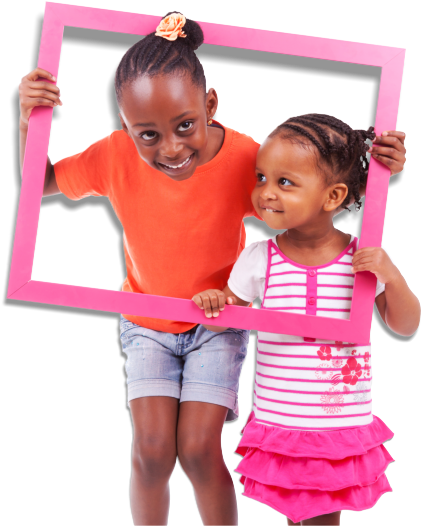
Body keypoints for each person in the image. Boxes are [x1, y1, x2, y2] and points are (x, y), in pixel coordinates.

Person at [18, 10, 408, 526]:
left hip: (218, 323)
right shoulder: (113, 155)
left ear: (210, 105)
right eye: (147, 134)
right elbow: (40, 183)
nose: (172, 148)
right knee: (152, 451)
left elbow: (308, 192)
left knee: (200, 450)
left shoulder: (246, 157)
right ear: (124, 125)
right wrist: (28, 119)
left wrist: (374, 170)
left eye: (185, 126)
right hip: (146, 323)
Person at [192, 113, 419, 525]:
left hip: (337, 425)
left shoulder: (363, 256)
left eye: (284, 182)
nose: (265, 192)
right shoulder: (259, 257)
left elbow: (406, 325)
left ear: (333, 196)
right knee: (296, 517)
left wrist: (390, 274)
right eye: (261, 177)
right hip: (281, 421)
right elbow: (222, 320)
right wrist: (214, 304)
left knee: (322, 520)